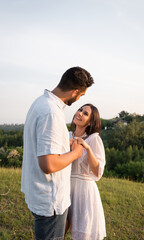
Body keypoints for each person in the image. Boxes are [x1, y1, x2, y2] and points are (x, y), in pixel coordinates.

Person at [21, 67, 94, 240]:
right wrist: (76, 153)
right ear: (75, 92)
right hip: (50, 200)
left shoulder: (40, 103)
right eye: (81, 96)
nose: (78, 100)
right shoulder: (52, 113)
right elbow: (49, 164)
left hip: (40, 193)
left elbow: (31, 140)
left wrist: (62, 144)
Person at [65, 103, 106, 240]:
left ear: (90, 122)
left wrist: (88, 149)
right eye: (80, 109)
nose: (80, 113)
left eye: (85, 113)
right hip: (65, 189)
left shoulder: (94, 139)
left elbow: (97, 172)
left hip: (85, 193)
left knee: (82, 235)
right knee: (58, 234)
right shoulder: (67, 135)